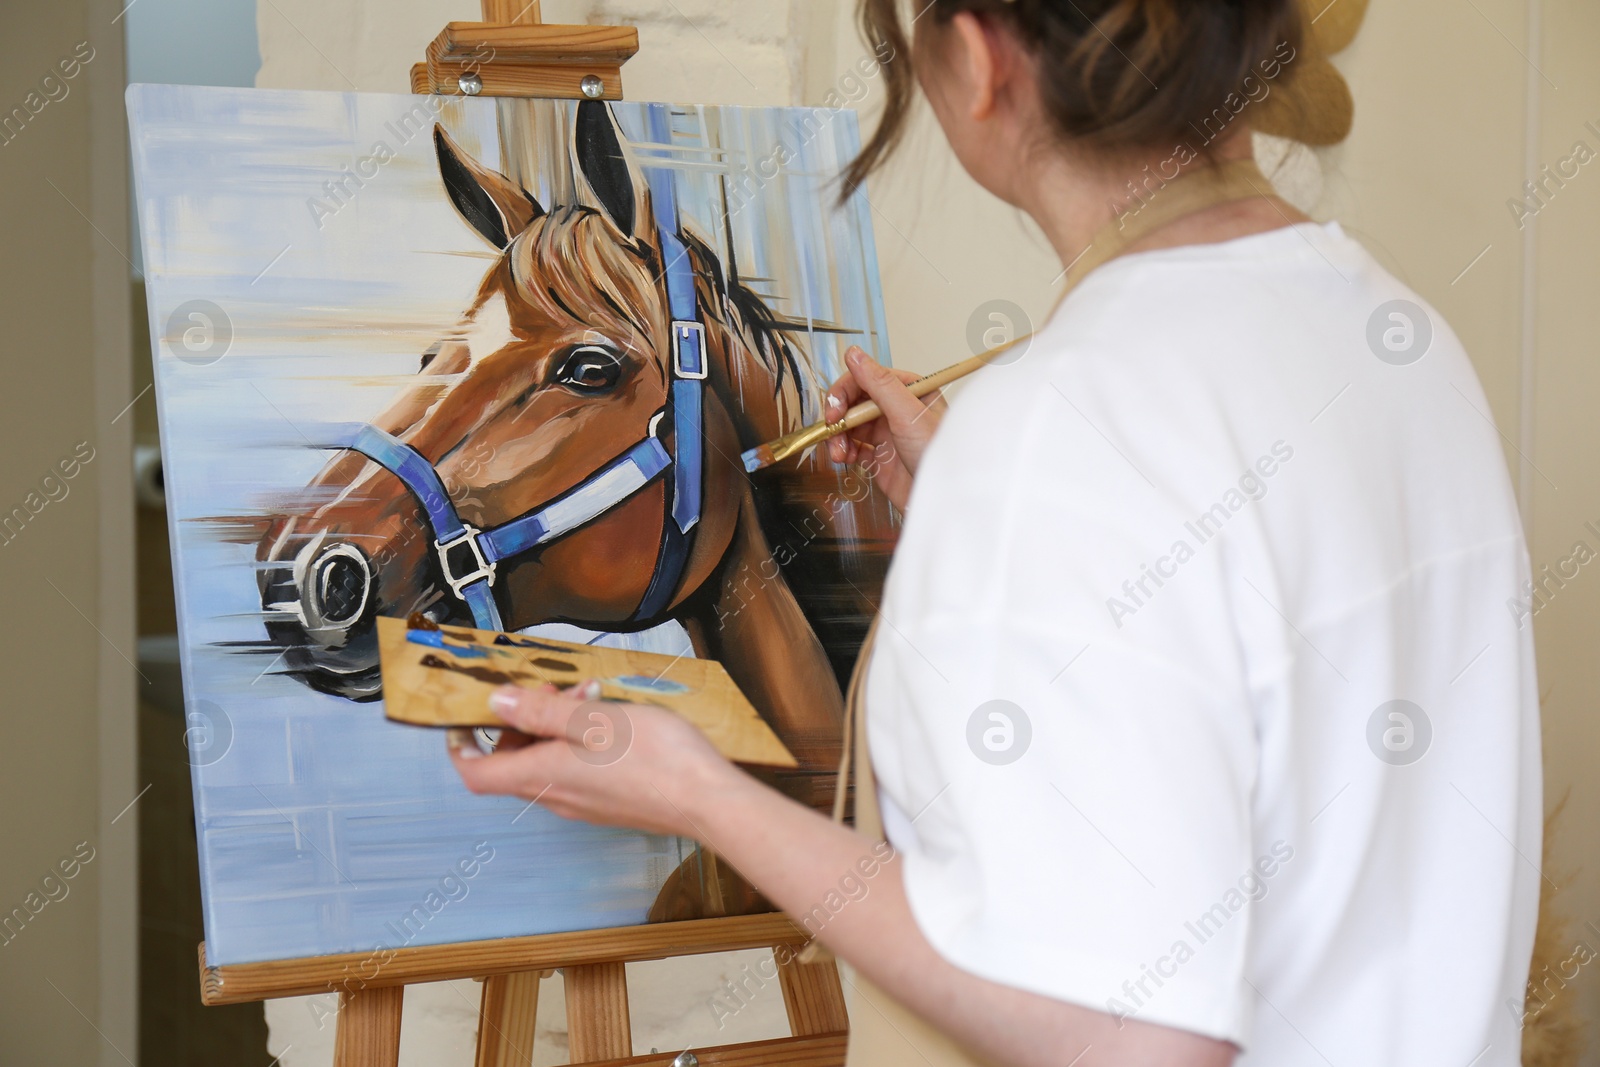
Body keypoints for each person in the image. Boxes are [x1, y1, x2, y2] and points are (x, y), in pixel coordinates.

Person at [450, 1, 1542, 1064]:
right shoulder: (1399, 335)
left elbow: (1133, 1036)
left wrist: (698, 792)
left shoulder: (1065, 426)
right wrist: (986, 533)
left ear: (977, 60)